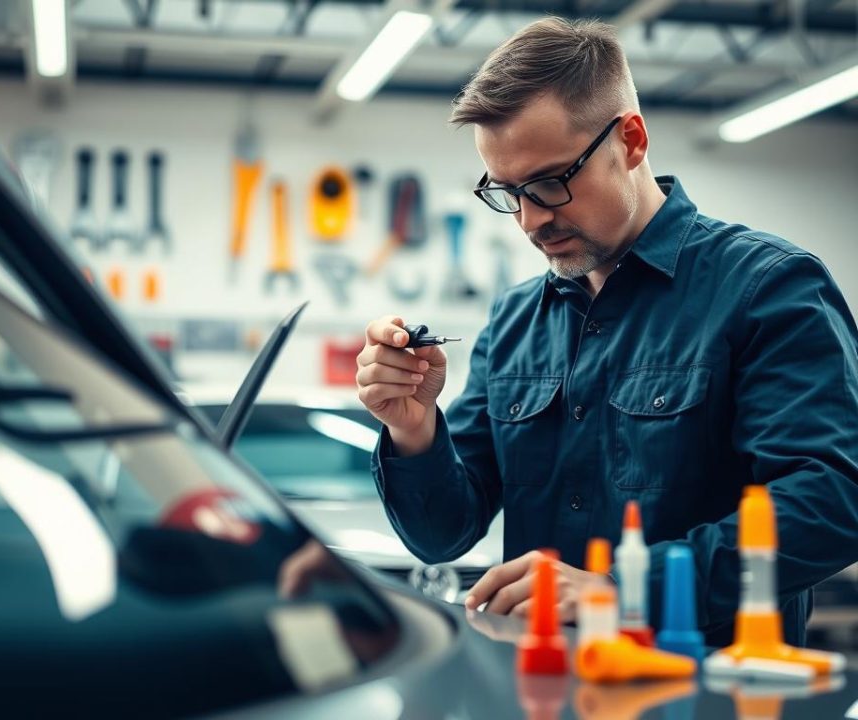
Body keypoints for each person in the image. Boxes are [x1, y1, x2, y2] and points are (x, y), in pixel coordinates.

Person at [355, 16, 858, 647]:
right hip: (541, 689)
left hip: (709, 696)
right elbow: (443, 533)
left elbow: (834, 502)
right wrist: (412, 427)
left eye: (552, 182)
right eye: (509, 193)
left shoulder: (768, 289)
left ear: (632, 140)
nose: (532, 220)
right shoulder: (515, 321)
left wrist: (622, 593)